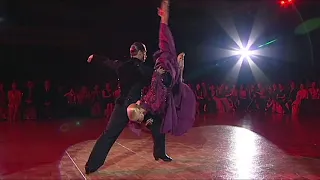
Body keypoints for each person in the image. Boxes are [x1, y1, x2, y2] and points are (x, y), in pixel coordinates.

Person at [85, 41, 171, 174]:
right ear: (141, 53)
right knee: (158, 124)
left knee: (108, 135)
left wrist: (94, 57)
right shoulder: (142, 68)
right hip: (136, 109)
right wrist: (159, 74)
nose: (146, 56)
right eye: (145, 53)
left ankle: (91, 166)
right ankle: (160, 153)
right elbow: (157, 79)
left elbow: (108, 62)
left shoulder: (121, 65)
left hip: (121, 107)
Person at [127, 0, 196, 136]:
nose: (141, 120)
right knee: (165, 40)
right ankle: (164, 17)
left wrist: (158, 76)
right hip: (166, 77)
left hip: (165, 71)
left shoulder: (147, 104)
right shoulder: (148, 107)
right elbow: (159, 95)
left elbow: (156, 91)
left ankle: (164, 18)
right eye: (140, 120)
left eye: (139, 119)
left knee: (165, 39)